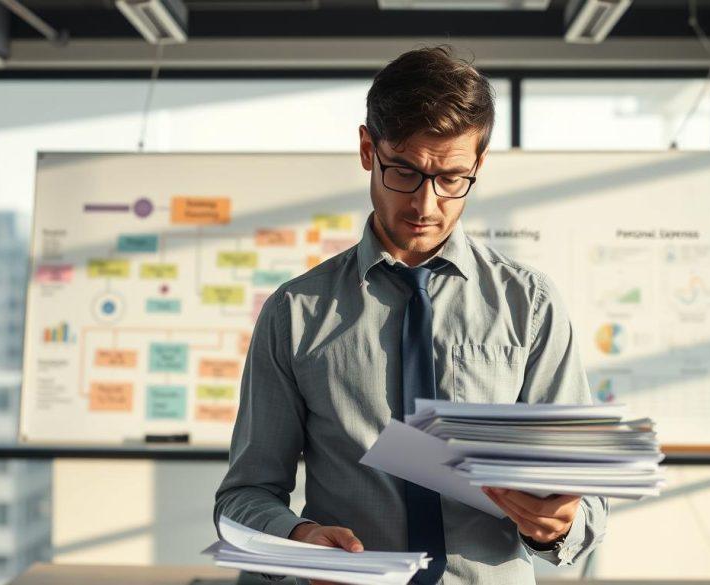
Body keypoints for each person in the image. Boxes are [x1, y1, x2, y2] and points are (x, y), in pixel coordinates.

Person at [214, 45, 607, 585]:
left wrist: (556, 526)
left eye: (452, 178)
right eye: (405, 171)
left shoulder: (530, 306)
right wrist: (297, 539)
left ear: (478, 166)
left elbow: (587, 505)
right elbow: (244, 496)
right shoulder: (295, 313)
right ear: (367, 149)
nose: (426, 205)